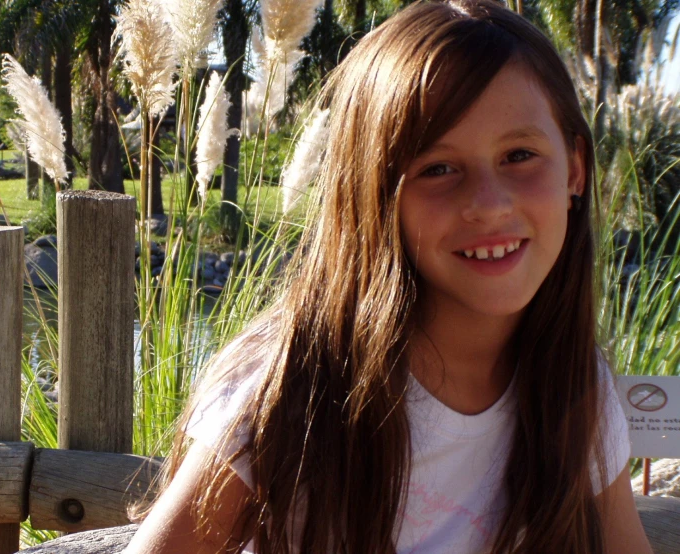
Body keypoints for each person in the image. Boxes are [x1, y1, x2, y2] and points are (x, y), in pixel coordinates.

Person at [126, 1, 653, 552]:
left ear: (575, 167)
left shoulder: (574, 386)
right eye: (438, 169)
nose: (489, 204)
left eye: (519, 155)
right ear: (372, 194)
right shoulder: (287, 384)